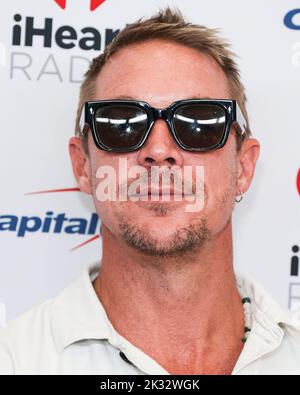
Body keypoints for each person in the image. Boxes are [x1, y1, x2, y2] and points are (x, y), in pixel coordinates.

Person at [1, 7, 300, 375]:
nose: (159, 151)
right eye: (122, 124)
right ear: (83, 167)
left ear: (243, 167)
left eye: (199, 123)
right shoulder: (14, 361)